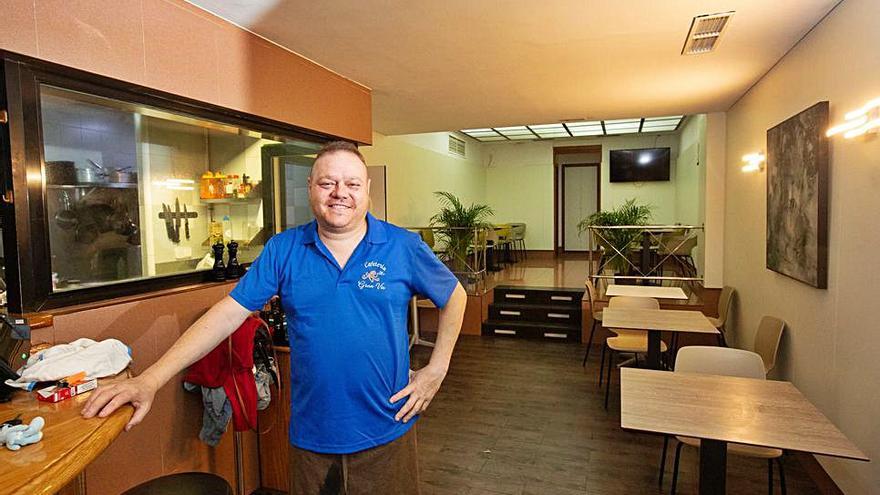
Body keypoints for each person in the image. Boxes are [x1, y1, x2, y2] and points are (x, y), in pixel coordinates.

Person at [82, 141, 467, 494]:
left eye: (351, 183)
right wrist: (150, 379)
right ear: (311, 187)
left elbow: (455, 296)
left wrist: (437, 369)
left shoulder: (402, 246)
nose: (340, 193)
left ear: (366, 188)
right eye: (327, 183)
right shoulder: (285, 248)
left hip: (388, 430)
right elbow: (226, 316)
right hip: (313, 438)